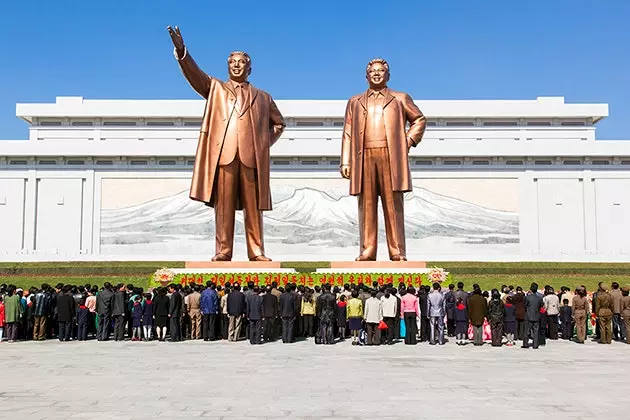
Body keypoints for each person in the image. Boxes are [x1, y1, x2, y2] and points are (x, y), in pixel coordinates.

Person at [167, 26, 285, 262]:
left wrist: (263, 144)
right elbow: (195, 75)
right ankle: (223, 250)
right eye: (232, 62)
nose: (237, 65)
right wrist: (181, 50)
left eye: (242, 62)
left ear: (250, 68)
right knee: (224, 207)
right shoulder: (216, 89)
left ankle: (257, 251)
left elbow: (279, 124)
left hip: (251, 157)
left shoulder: (263, 97)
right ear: (228, 66)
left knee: (254, 208)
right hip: (225, 155)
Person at [340, 58, 427, 261]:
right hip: (364, 157)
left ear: (388, 75)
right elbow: (348, 132)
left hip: (390, 156)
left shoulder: (400, 98)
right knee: (366, 206)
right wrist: (346, 161)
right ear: (366, 75)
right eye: (372, 71)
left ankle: (397, 251)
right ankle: (367, 250)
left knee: (393, 205)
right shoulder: (355, 101)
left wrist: (407, 141)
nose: (376, 74)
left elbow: (419, 120)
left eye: (381, 71)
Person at [523, 283, 543, 349]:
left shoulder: (527, 298)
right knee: (536, 331)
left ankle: (525, 344)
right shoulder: (540, 298)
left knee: (527, 331)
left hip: (528, 316)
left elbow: (525, 306)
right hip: (536, 316)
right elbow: (541, 306)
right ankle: (535, 344)